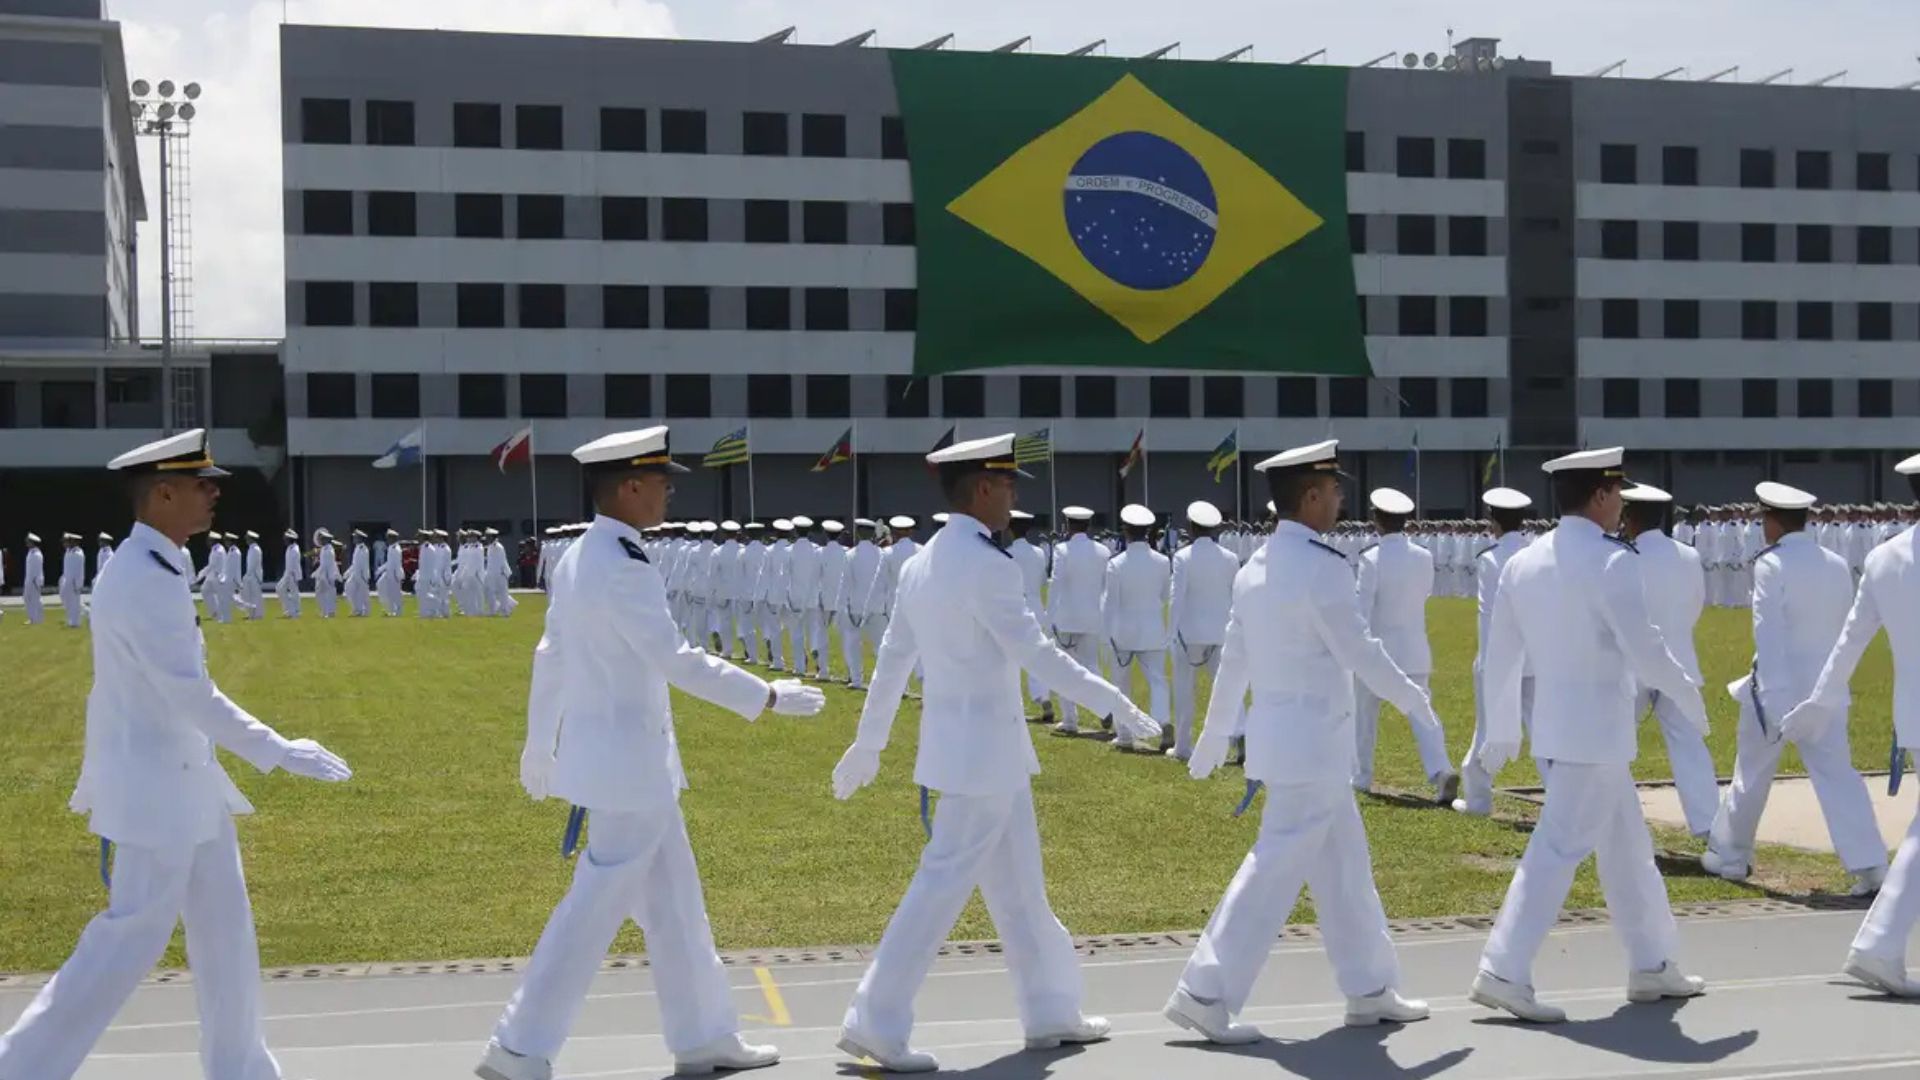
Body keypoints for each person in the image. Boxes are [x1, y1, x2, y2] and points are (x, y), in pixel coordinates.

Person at [0, 429, 351, 1080]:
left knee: (225, 936)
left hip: (185, 784)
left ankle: (241, 1068)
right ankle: (20, 1066)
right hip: (157, 788)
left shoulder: (157, 563)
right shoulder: (143, 577)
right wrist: (278, 750)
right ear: (162, 493)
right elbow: (192, 694)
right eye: (200, 485)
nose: (213, 495)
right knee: (128, 939)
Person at [478, 426, 825, 1080]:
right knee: (591, 912)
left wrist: (538, 736)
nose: (668, 490)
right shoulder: (623, 566)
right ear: (630, 486)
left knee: (676, 909)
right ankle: (519, 1044)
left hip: (626, 767)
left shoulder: (582, 555)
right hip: (628, 768)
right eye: (661, 479)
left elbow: (550, 653)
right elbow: (674, 659)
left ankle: (702, 1035)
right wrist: (765, 696)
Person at [830, 433, 1161, 1072]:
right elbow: (1036, 654)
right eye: (1007, 485)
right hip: (982, 757)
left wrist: (870, 741)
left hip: (984, 755)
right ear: (982, 488)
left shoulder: (922, 562)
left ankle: (1051, 1009)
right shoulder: (986, 564)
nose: (1012, 497)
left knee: (1022, 894)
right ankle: (875, 1017)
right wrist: (1112, 701)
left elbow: (894, 660)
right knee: (940, 886)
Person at [1167, 439, 1436, 1044]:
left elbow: (1236, 658)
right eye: (1335, 488)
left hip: (1291, 744)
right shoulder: (1321, 567)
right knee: (1273, 867)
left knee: (1346, 869)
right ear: (1310, 495)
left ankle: (1369, 987)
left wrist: (1215, 732)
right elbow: (1359, 651)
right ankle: (1205, 991)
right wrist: (1411, 698)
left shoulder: (1256, 566)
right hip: (1312, 746)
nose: (1342, 497)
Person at [1470, 447, 1709, 1023]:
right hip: (1597, 732)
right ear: (1600, 495)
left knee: (1629, 851)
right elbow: (1645, 644)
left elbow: (1498, 653)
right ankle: (1503, 967)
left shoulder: (1525, 562)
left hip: (1562, 728)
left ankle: (1652, 962)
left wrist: (1500, 728)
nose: (1622, 502)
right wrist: (1686, 691)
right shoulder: (1611, 560)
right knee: (1556, 849)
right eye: (1618, 492)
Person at [1704, 482, 1887, 894]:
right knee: (1838, 776)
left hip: (1778, 690)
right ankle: (1870, 865)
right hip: (1824, 690)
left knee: (1750, 776)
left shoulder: (1771, 565)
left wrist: (1771, 699)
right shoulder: (1836, 563)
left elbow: (1767, 636)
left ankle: (1732, 856)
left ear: (1771, 520)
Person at [1783, 451, 1920, 995]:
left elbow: (1850, 640)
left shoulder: (1887, 558)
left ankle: (1879, 944)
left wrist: (1820, 698)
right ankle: (1879, 944)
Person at [1618, 484, 1718, 837]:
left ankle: (1619, 824)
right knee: (1689, 746)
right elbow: (1696, 604)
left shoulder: (1621, 556)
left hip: (1631, 664)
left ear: (1628, 517)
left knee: (1614, 744)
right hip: (1679, 659)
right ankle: (1709, 826)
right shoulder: (1687, 556)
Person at [1352, 488, 1457, 802]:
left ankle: (1361, 776)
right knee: (1422, 713)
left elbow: (1363, 609)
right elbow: (1423, 595)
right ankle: (1441, 771)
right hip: (1414, 649)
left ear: (1376, 520)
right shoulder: (1423, 556)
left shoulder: (1371, 558)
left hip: (1378, 653)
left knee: (1364, 717)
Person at [1456, 488, 1536, 816]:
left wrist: (1487, 663)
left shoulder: (1490, 559)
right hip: (1534, 656)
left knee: (1488, 730)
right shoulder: (1535, 554)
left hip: (1499, 659)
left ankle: (1478, 799)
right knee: (1542, 730)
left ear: (1493, 521)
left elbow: (1489, 618)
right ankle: (1561, 795)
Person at [1169, 501, 1241, 763]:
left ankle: (1183, 745)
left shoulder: (1182, 556)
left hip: (1188, 635)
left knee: (1184, 690)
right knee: (1225, 688)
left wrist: (1171, 632)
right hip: (1220, 632)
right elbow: (1236, 596)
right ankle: (1239, 732)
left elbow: (1177, 598)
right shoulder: (1230, 558)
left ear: (1190, 526)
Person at [1047, 506, 1111, 735]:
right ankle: (1104, 706)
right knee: (1092, 665)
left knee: (1065, 668)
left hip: (1067, 616)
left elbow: (1055, 584)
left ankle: (1070, 719)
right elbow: (1106, 588)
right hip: (1093, 616)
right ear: (1089, 526)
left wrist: (1050, 615)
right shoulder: (1103, 551)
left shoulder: (1062, 550)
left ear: (1067, 525)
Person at [1006, 511, 1054, 723]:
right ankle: (1044, 698)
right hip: (1036, 606)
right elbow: (1043, 581)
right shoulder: (1038, 553)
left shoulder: (1005, 553)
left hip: (1016, 607)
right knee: (1037, 656)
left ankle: (1012, 703)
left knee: (1010, 659)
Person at [275, 529, 303, 618]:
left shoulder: (294, 549)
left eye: (286, 538)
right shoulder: (290, 548)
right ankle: (290, 609)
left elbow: (293, 565)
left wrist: (292, 576)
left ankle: (295, 611)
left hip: (292, 575)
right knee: (279, 589)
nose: (284, 540)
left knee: (294, 593)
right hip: (288, 574)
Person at [60, 532, 85, 628]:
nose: (64, 544)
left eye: (66, 542)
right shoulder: (68, 551)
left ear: (72, 542)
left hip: (74, 581)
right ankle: (79, 613)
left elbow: (79, 569)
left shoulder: (78, 553)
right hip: (67, 579)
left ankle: (75, 622)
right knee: (66, 599)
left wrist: (78, 583)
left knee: (74, 601)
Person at [345, 529, 373, 617]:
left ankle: (366, 611)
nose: (354, 539)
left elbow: (363, 564)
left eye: (355, 537)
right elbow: (355, 563)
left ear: (360, 538)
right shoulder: (357, 548)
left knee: (363, 593)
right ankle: (357, 609)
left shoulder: (363, 549)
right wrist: (348, 572)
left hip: (361, 575)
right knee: (349, 588)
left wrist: (364, 576)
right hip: (355, 574)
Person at [313, 530, 340, 618]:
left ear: (326, 540)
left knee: (329, 593)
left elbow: (327, 565)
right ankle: (324, 611)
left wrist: (320, 573)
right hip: (323, 574)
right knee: (320, 592)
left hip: (328, 575)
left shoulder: (329, 550)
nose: (320, 540)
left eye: (322, 539)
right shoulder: (324, 549)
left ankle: (331, 611)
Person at [242, 530, 265, 619]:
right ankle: (252, 613)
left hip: (254, 575)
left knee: (256, 595)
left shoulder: (255, 549)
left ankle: (258, 614)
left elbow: (253, 564)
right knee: (250, 595)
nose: (246, 540)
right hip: (251, 575)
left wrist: (247, 575)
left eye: (248, 539)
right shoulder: (252, 548)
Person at [23, 532, 45, 624]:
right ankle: (32, 618)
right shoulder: (31, 553)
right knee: (27, 598)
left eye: (28, 541)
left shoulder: (37, 554)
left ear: (32, 542)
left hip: (34, 580)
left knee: (35, 600)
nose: (27, 543)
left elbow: (38, 568)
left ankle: (37, 618)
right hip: (29, 579)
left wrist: (37, 580)